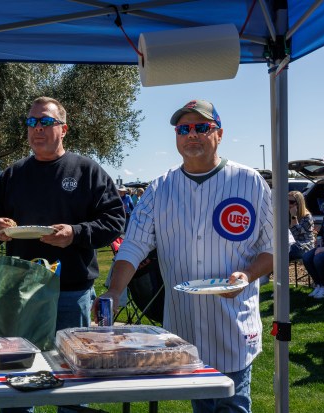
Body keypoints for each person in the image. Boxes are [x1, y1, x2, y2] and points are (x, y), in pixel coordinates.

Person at [98, 99, 273, 413]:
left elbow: (274, 248)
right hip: (183, 329)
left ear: (218, 134)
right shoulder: (159, 188)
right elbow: (133, 245)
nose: (192, 134)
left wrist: (247, 275)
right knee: (203, 407)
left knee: (232, 405)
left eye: (201, 127)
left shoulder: (249, 182)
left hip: (232, 325)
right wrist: (115, 289)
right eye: (184, 129)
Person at [0, 95, 124, 369]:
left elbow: (115, 219)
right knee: (15, 373)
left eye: (46, 121)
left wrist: (76, 233)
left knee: (73, 375)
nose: (38, 128)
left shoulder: (86, 171)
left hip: (70, 292)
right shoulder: (14, 174)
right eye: (32, 122)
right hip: (20, 291)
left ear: (64, 129)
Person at [303, 209, 324, 298]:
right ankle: (319, 285)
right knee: (306, 257)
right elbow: (322, 232)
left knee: (318, 259)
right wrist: (318, 239)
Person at [288, 190, 315, 260]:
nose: (288, 204)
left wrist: (293, 216)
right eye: (286, 201)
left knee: (286, 249)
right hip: (291, 244)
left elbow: (296, 234)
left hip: (305, 246)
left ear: (298, 204)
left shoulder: (307, 217)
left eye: (291, 202)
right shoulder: (287, 214)